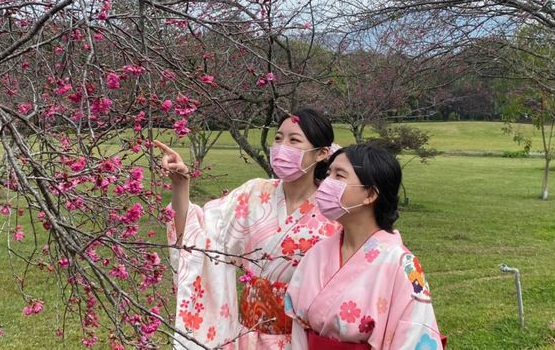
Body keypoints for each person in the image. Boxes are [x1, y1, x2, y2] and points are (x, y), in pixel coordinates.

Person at [155, 108, 340, 349]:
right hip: (247, 336)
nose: (282, 146)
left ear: (322, 153)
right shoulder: (254, 193)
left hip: (302, 338)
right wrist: (181, 185)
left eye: (294, 140)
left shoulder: (334, 211)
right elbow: (198, 236)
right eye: (278, 138)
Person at [284, 143, 447, 350]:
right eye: (328, 174)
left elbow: (413, 337)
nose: (326, 183)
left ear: (370, 194)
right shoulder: (318, 253)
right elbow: (299, 330)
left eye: (339, 176)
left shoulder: (402, 265)